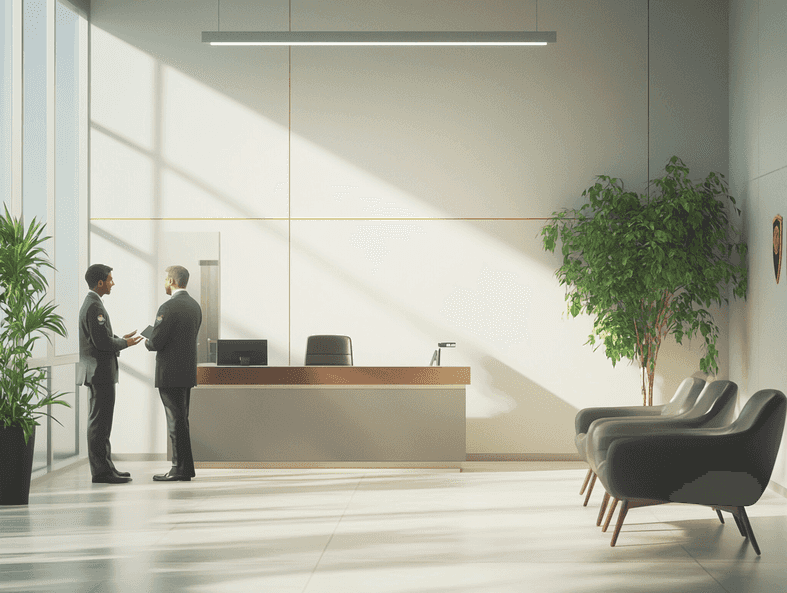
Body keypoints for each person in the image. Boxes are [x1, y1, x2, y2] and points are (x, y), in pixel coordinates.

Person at [77, 264, 144, 484]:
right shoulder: (94, 306)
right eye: (110, 280)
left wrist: (120, 339)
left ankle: (106, 467)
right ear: (100, 283)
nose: (112, 283)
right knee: (99, 424)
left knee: (103, 423)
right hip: (100, 373)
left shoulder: (93, 303)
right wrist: (125, 343)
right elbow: (102, 342)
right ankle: (101, 472)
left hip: (99, 373)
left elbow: (101, 337)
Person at [146, 265, 202, 481]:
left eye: (165, 280)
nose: (164, 283)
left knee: (174, 422)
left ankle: (179, 468)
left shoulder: (167, 307)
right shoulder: (195, 306)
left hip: (169, 374)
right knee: (181, 420)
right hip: (186, 372)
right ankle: (186, 469)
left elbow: (156, 342)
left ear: (171, 281)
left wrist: (147, 339)